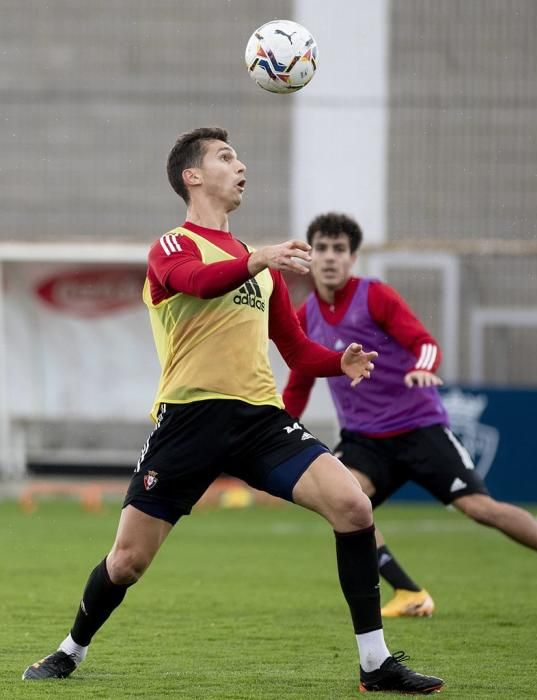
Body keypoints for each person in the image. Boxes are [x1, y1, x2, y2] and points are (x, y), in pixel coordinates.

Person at [22, 128, 444, 694]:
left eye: (239, 156)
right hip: (189, 421)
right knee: (126, 562)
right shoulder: (173, 247)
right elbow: (196, 282)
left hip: (259, 421)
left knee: (352, 506)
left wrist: (336, 361)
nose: (240, 165)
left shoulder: (263, 270)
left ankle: (375, 663)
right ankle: (70, 650)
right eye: (226, 157)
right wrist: (258, 257)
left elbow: (295, 351)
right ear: (191, 177)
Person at [282, 211, 537, 617]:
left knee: (481, 509)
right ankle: (409, 592)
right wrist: (280, 426)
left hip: (418, 428)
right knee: (343, 502)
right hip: (363, 441)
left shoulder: (375, 296)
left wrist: (423, 367)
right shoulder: (305, 317)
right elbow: (300, 379)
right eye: (322, 248)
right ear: (311, 257)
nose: (330, 257)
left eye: (340, 249)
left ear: (353, 258)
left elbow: (423, 342)